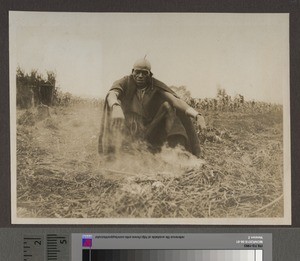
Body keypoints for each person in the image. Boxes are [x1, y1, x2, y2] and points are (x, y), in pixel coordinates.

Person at [98, 58, 206, 157]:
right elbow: (112, 94)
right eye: (137, 72)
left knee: (169, 106)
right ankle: (111, 153)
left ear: (149, 75)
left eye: (144, 73)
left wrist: (197, 115)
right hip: (127, 129)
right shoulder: (125, 82)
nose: (140, 76)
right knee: (114, 104)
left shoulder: (155, 85)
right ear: (132, 72)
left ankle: (177, 151)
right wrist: (116, 107)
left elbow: (175, 101)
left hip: (148, 131)